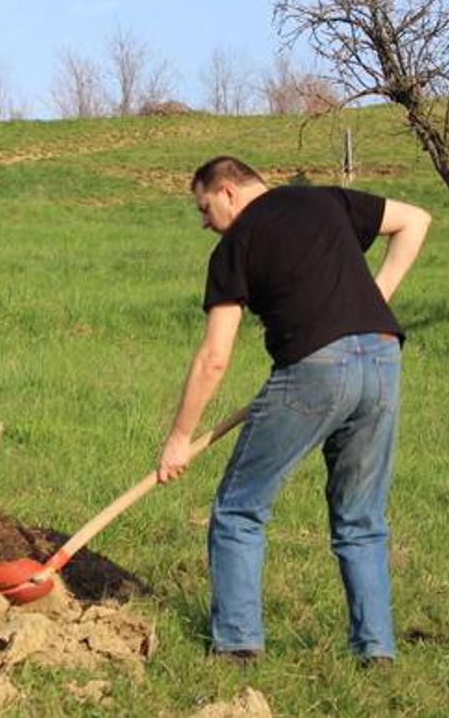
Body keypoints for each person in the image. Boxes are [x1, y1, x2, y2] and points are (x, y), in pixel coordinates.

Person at [156, 155, 431, 664]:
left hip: (315, 369)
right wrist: (377, 296)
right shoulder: (325, 198)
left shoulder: (234, 245)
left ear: (229, 192)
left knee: (239, 508)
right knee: (361, 517)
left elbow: (214, 359)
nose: (203, 222)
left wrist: (179, 437)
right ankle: (376, 650)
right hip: (383, 356)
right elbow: (416, 220)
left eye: (204, 207)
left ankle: (237, 644)